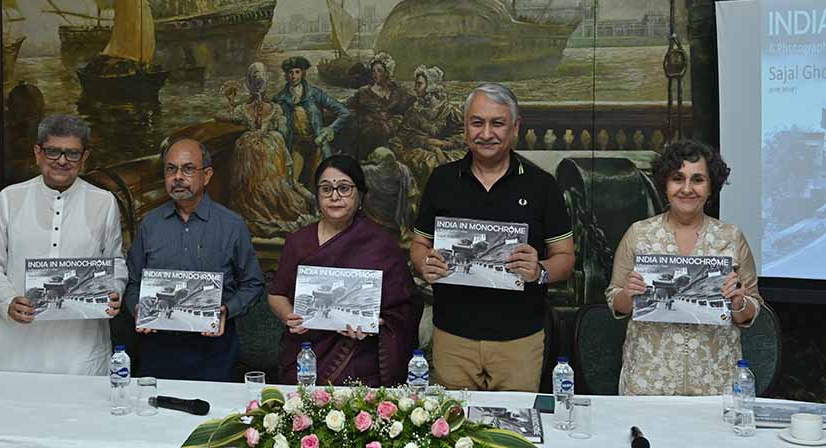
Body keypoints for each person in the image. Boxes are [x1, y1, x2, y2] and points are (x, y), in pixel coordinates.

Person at [410, 83, 575, 392]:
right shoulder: (441, 180)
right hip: (452, 336)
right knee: (454, 432)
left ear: (515, 128)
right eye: (477, 122)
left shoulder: (542, 185)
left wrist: (540, 270)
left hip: (519, 340)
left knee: (514, 434)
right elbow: (419, 246)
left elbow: (565, 258)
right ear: (465, 127)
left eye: (497, 123)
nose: (486, 133)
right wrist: (424, 263)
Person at [605, 139, 763, 396]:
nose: (687, 188)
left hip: (716, 380)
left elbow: (751, 309)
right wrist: (628, 294)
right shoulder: (639, 234)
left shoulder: (731, 238)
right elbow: (615, 303)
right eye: (678, 178)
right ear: (665, 186)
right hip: (648, 379)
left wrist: (738, 302)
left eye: (698, 179)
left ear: (711, 186)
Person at [0, 114, 124, 374]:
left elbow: (116, 261)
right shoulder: (10, 198)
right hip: (18, 341)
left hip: (81, 346)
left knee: (80, 413)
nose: (62, 161)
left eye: (72, 153)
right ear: (38, 153)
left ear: (85, 157)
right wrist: (7, 300)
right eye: (53, 151)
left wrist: (115, 291)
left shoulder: (104, 201)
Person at [268, 155, 423, 387]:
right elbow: (276, 294)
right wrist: (289, 316)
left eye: (344, 188)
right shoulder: (298, 242)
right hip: (307, 355)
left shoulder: (380, 244)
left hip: (361, 360)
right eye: (326, 189)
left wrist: (374, 324)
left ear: (360, 195)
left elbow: (406, 306)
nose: (334, 196)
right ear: (318, 196)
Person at [124, 138, 265, 381]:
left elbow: (253, 284)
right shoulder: (149, 225)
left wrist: (226, 310)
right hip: (158, 349)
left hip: (213, 351)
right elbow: (132, 282)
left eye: (188, 169)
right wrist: (137, 308)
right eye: (171, 169)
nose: (178, 176)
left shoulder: (232, 225)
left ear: (207, 175)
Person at [226, 62, 316, 237]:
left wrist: (231, 103)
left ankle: (262, 199)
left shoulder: (246, 109)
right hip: (267, 148)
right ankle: (270, 198)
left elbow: (226, 116)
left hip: (255, 150)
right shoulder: (273, 109)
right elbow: (282, 129)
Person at [273, 56, 350, 189]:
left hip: (317, 144)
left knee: (320, 181)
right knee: (291, 183)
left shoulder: (315, 94)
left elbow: (344, 112)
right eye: (290, 73)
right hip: (296, 145)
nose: (293, 76)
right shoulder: (279, 98)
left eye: (297, 72)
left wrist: (329, 129)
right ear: (286, 75)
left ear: (303, 73)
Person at [390, 64, 467, 188]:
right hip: (420, 150)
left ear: (430, 87)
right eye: (416, 84)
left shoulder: (450, 111)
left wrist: (443, 144)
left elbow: (464, 134)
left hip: (448, 151)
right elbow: (403, 135)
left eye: (419, 84)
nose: (415, 88)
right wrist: (426, 142)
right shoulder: (414, 111)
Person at [343, 52, 416, 161]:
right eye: (373, 71)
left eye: (379, 71)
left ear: (387, 73)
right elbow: (347, 104)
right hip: (371, 131)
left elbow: (412, 101)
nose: (375, 74)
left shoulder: (397, 91)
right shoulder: (364, 92)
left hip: (393, 129)